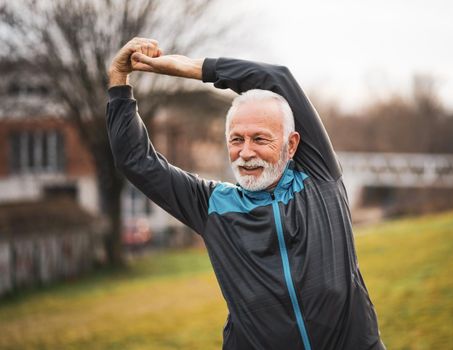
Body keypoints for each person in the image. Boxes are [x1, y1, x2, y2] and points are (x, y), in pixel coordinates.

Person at [107, 37, 386, 350]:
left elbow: (277, 78)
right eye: (236, 140)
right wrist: (119, 81)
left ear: (291, 145)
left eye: (260, 139)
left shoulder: (319, 177)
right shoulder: (211, 205)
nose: (246, 152)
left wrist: (188, 68)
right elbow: (135, 161)